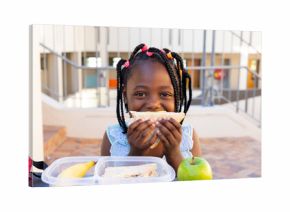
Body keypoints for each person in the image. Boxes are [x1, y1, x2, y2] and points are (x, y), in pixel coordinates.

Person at [101, 43, 201, 172]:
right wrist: (136, 153)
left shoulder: (188, 136)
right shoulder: (113, 137)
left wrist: (173, 153)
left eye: (165, 94)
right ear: (125, 96)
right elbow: (107, 180)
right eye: (140, 94)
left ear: (177, 97)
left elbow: (196, 180)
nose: (153, 104)